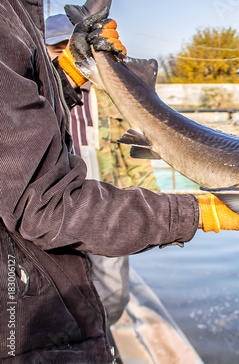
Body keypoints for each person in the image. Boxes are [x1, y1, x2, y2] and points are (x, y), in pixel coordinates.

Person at [0, 1, 239, 363]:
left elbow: (19, 115)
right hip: (21, 319)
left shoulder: (18, 14)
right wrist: (199, 213)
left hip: (93, 217)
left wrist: (69, 75)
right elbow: (44, 204)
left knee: (112, 292)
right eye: (55, 48)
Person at [45, 14, 161, 347]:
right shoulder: (34, 93)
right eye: (57, 48)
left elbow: (134, 152)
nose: (70, 56)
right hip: (52, 196)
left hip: (103, 195)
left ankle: (98, 336)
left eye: (76, 50)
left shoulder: (109, 93)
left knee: (114, 290)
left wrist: (154, 207)